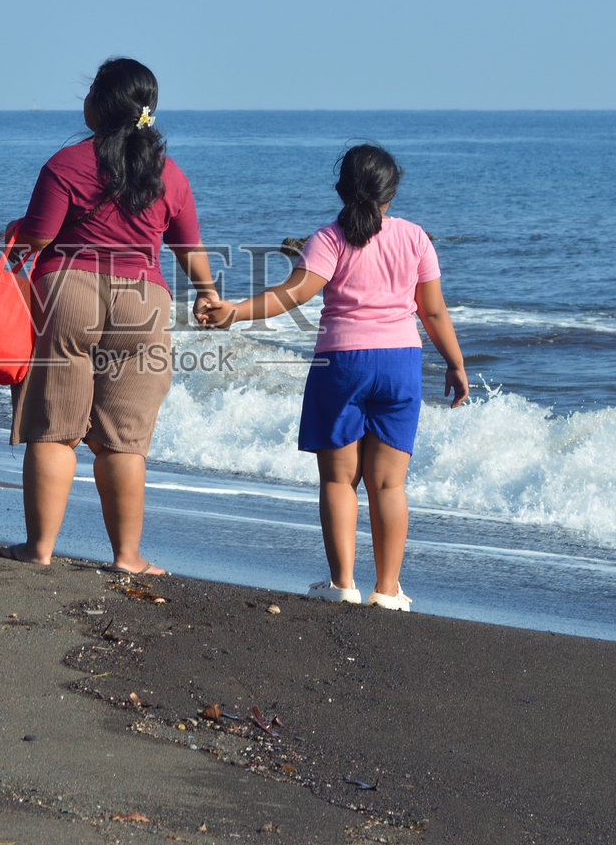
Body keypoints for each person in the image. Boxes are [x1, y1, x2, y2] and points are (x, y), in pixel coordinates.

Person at [199, 143, 468, 610]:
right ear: (392, 192)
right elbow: (434, 311)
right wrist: (456, 363)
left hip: (342, 365)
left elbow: (294, 293)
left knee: (339, 481)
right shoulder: (415, 238)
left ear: (342, 188)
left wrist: (235, 312)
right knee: (389, 484)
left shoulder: (329, 237)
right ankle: (388, 591)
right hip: (400, 362)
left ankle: (343, 583)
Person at [0, 58, 219, 575]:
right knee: (124, 437)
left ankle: (40, 550)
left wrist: (14, 235)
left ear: (97, 103)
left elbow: (38, 237)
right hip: (143, 301)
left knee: (54, 429)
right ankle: (127, 557)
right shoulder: (171, 174)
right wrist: (208, 293)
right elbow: (190, 247)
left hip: (69, 292)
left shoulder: (67, 163)